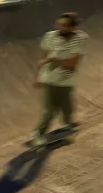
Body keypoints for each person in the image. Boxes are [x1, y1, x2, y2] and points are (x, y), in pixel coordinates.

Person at [29, 12, 88, 147]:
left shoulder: (81, 38)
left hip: (67, 80)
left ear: (73, 28)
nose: (59, 28)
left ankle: (67, 124)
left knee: (67, 107)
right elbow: (42, 58)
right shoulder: (50, 36)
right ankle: (38, 133)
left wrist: (52, 60)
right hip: (50, 79)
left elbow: (71, 65)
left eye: (64, 26)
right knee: (50, 110)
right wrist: (38, 77)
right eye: (58, 25)